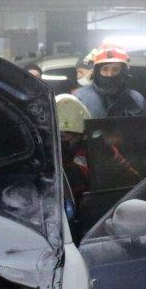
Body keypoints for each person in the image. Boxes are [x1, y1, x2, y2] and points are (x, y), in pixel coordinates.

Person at [72, 45, 146, 118]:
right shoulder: (80, 99)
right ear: (97, 71)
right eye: (105, 69)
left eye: (115, 69)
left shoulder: (136, 99)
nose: (110, 74)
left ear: (123, 72)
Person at [55, 93, 91, 222]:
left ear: (81, 135)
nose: (61, 139)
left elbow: (76, 176)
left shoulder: (94, 150)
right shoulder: (55, 152)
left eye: (66, 135)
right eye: (58, 135)